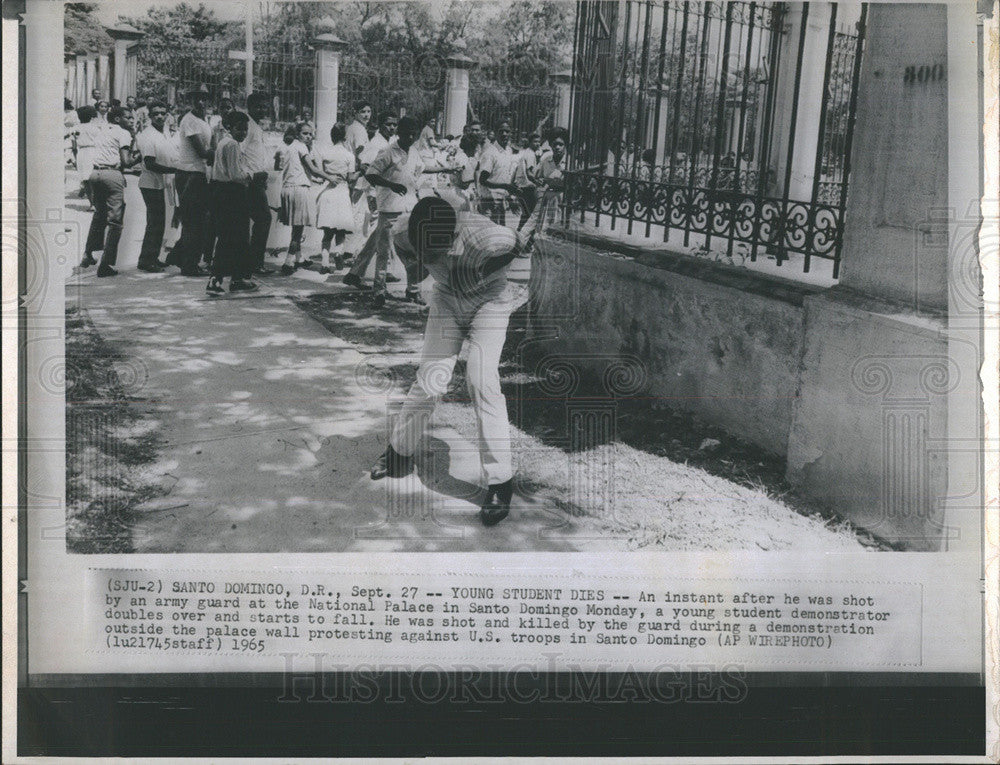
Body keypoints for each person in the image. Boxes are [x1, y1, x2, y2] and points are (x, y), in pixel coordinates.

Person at [368, 195, 534, 527]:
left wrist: (485, 268)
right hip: (446, 297)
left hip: (489, 297)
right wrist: (417, 275)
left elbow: (522, 241)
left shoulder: (488, 236)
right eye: (422, 250)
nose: (427, 256)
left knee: (481, 380)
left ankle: (501, 482)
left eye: (434, 251)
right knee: (430, 379)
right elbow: (402, 250)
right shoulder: (402, 231)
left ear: (454, 234)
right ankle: (399, 453)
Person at [345, 115, 424, 307]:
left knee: (413, 253)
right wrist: (391, 185)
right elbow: (371, 174)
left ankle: (413, 291)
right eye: (406, 134)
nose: (410, 138)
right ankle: (379, 292)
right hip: (390, 210)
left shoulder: (414, 152)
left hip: (408, 210)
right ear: (399, 133)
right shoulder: (388, 152)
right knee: (384, 252)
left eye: (414, 134)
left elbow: (419, 170)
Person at [81, 105, 140, 276]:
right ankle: (105, 264)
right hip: (112, 175)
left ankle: (88, 254)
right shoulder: (123, 133)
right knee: (115, 222)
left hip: (95, 173)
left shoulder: (103, 130)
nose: (131, 120)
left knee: (99, 216)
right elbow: (127, 161)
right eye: (128, 118)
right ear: (117, 119)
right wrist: (141, 155)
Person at [205, 110, 260, 296]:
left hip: (221, 192)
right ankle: (220, 278)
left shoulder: (224, 143)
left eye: (245, 129)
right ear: (229, 127)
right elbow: (236, 175)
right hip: (232, 194)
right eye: (239, 129)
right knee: (234, 237)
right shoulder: (232, 145)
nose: (243, 133)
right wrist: (253, 175)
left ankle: (236, 278)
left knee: (232, 238)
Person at [343, 112, 398, 279]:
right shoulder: (376, 144)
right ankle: (361, 269)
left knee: (383, 233)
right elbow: (365, 166)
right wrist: (375, 188)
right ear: (381, 125)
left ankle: (365, 270)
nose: (392, 127)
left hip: (389, 195)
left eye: (394, 124)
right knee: (379, 232)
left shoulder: (391, 142)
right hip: (377, 193)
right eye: (388, 124)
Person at [168, 84, 214, 277]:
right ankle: (189, 264)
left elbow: (210, 146)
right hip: (189, 174)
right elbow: (203, 152)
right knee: (193, 221)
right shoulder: (189, 120)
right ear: (190, 101)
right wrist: (223, 152)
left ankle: (179, 256)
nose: (201, 102)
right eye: (196, 98)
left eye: (204, 98)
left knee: (199, 220)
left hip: (199, 174)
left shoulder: (204, 120)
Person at [135, 100, 177, 273]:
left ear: (167, 115)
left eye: (162, 113)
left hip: (160, 182)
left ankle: (152, 257)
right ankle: (146, 260)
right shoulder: (147, 135)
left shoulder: (164, 133)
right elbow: (150, 164)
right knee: (155, 223)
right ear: (150, 116)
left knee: (159, 222)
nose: (160, 116)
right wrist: (174, 169)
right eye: (155, 114)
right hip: (150, 182)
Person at [311, 122, 358, 274]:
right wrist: (361, 172)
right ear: (345, 137)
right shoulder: (349, 155)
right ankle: (338, 252)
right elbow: (351, 178)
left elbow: (318, 171)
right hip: (342, 192)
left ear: (332, 136)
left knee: (327, 232)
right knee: (341, 230)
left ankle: (325, 263)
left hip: (328, 192)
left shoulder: (325, 153)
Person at [277, 122, 321, 274]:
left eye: (310, 134)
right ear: (297, 134)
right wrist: (330, 177)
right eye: (305, 134)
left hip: (289, 187)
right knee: (298, 229)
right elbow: (313, 169)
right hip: (298, 189)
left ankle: (299, 258)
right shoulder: (301, 147)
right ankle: (288, 263)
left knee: (298, 226)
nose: (308, 137)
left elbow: (298, 170)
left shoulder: (289, 147)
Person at [242, 92, 276, 276]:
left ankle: (251, 262)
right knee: (263, 219)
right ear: (250, 107)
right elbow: (240, 151)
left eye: (265, 106)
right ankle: (255, 263)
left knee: (258, 220)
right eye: (258, 106)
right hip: (250, 181)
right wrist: (250, 176)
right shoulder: (247, 126)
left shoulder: (257, 126)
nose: (262, 109)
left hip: (258, 180)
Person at [478, 121, 520, 227]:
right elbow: (482, 180)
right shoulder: (490, 153)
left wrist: (509, 196)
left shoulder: (509, 151)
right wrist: (505, 186)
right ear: (495, 133)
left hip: (501, 201)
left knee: (500, 234)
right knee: (489, 235)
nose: (504, 134)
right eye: (501, 131)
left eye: (507, 131)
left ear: (511, 133)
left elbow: (506, 177)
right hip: (489, 201)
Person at [513, 132, 542, 228]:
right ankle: (521, 234)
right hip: (527, 188)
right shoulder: (530, 154)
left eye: (539, 142)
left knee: (526, 213)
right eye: (535, 142)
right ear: (530, 142)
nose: (537, 144)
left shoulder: (529, 152)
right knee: (529, 214)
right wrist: (537, 182)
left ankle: (520, 232)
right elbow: (529, 173)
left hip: (523, 186)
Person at [74, 104, 99, 205]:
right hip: (93, 151)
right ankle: (95, 202)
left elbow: (73, 142)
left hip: (82, 152)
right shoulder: (95, 128)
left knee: (85, 179)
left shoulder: (76, 128)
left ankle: (92, 203)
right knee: (92, 177)